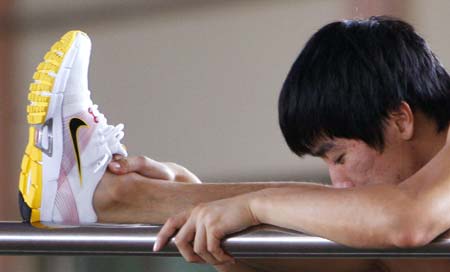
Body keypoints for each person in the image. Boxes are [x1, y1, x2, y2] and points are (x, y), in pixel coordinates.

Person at [18, 16, 450, 271]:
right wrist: (191, 206)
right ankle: (110, 197)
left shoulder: (414, 219)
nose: (338, 182)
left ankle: (111, 197)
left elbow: (404, 220)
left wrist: (252, 207)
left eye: (339, 156)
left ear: (400, 118)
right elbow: (368, 255)